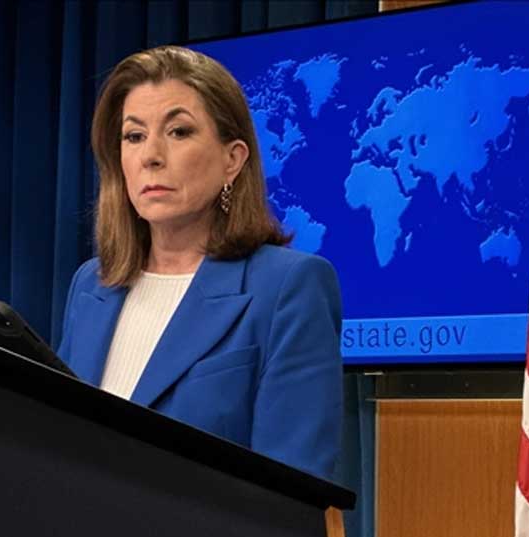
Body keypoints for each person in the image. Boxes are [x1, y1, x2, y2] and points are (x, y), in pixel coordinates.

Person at [56, 45, 343, 481]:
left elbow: (293, 486)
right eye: (134, 136)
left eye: (178, 132)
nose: (151, 155)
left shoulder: (288, 286)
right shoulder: (92, 285)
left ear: (233, 159)